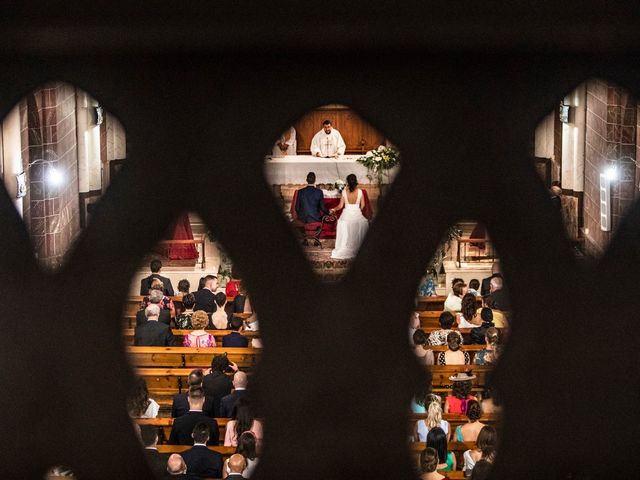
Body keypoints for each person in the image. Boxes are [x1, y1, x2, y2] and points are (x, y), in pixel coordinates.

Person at [330, 174, 369, 259]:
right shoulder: (360, 192)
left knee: (342, 222)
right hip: (357, 213)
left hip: (346, 215)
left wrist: (333, 209)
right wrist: (356, 211)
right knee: (363, 223)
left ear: (347, 182)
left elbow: (340, 206)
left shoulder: (344, 191)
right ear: (356, 181)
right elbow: (362, 206)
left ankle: (344, 247)